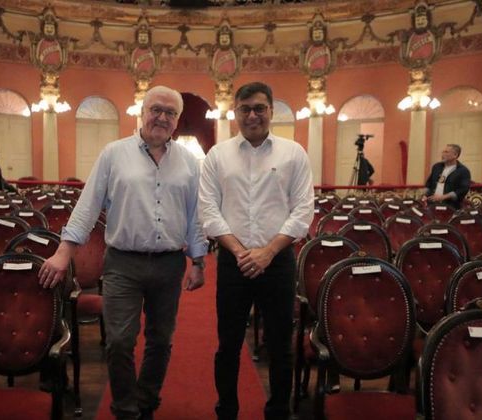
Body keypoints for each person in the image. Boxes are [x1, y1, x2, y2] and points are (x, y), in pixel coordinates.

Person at [38, 85, 207, 420]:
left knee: (161, 340)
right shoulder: (113, 154)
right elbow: (87, 207)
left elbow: (195, 216)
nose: (162, 117)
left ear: (177, 121)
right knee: (119, 341)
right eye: (155, 109)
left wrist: (198, 261)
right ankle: (125, 408)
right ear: (142, 112)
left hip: (169, 264)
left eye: (170, 112)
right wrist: (63, 252)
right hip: (122, 264)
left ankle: (146, 400)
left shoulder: (189, 162)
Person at [199, 82, 314, 420]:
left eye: (259, 108)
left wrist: (267, 252)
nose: (252, 115)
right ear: (235, 113)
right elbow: (208, 210)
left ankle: (278, 411)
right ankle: (227, 410)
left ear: (271, 111)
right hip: (233, 264)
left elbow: (303, 211)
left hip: (278, 262)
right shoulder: (217, 156)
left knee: (280, 345)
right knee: (228, 345)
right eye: (245, 108)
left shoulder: (294, 153)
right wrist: (238, 251)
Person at [422, 143, 471, 209]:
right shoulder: (436, 167)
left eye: (446, 152)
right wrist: (424, 195)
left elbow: (463, 189)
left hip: (450, 206)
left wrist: (443, 197)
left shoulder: (463, 171)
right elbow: (429, 183)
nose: (443, 154)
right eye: (443, 152)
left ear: (455, 155)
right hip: (432, 204)